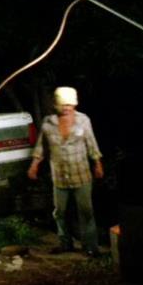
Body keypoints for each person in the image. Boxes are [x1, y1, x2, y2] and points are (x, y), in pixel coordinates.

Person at [27, 86, 104, 256]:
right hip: (59, 176)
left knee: (86, 212)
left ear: (75, 104)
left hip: (81, 174)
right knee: (59, 212)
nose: (66, 108)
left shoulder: (83, 120)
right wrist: (34, 165)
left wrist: (97, 164)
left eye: (69, 104)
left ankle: (90, 246)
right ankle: (65, 243)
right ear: (56, 105)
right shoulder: (49, 123)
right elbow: (41, 147)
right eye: (63, 104)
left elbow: (91, 144)